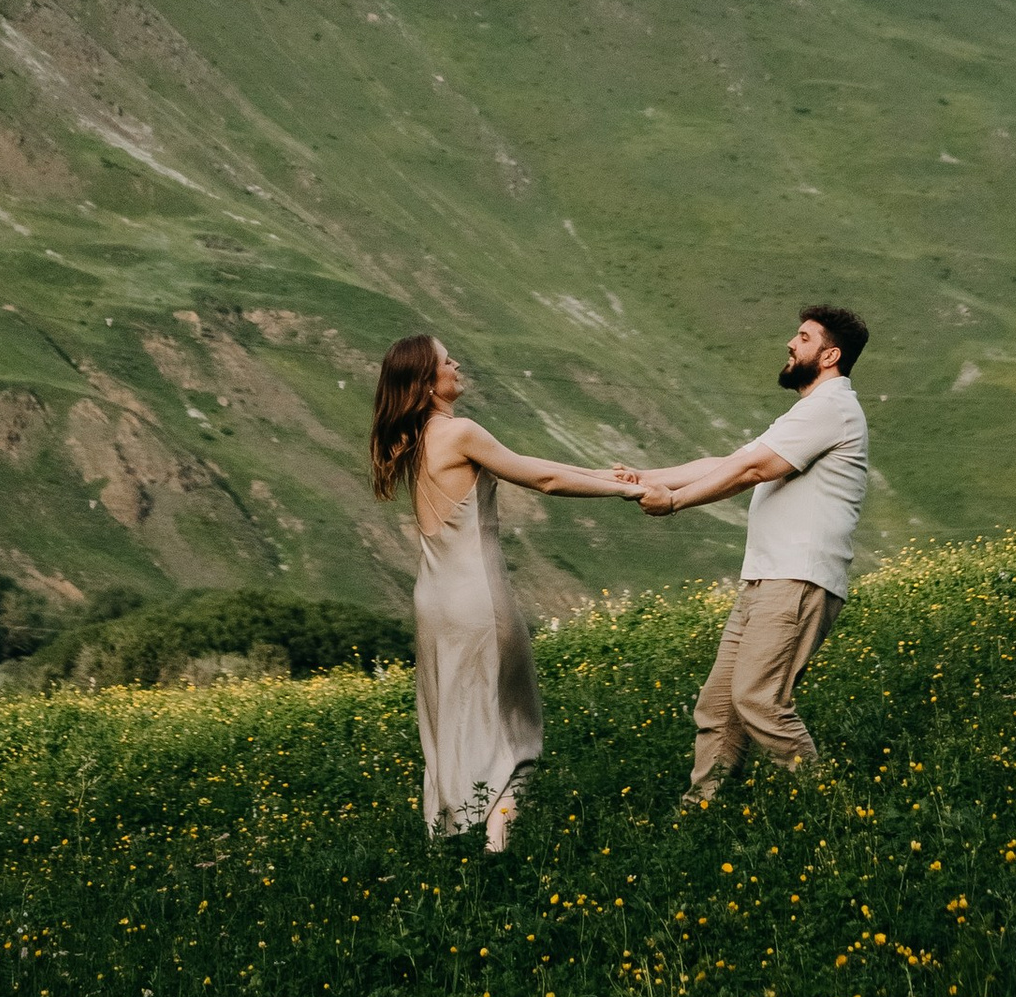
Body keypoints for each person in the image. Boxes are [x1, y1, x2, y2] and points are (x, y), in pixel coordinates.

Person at [369, 334, 640, 852]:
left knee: (451, 725)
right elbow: (543, 479)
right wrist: (624, 488)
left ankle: (449, 841)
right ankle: (498, 851)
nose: (456, 364)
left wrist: (600, 472)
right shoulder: (459, 432)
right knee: (518, 731)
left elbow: (523, 462)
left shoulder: (414, 441)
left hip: (434, 603)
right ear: (428, 383)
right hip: (479, 598)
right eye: (446, 360)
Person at [636, 304, 869, 807]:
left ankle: (833, 808)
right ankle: (703, 811)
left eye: (803, 338)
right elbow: (730, 462)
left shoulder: (831, 408)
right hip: (767, 579)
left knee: (759, 700)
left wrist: (674, 502)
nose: (791, 343)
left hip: (797, 578)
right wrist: (645, 477)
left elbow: (752, 471)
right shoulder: (809, 412)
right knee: (720, 707)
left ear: (830, 355)